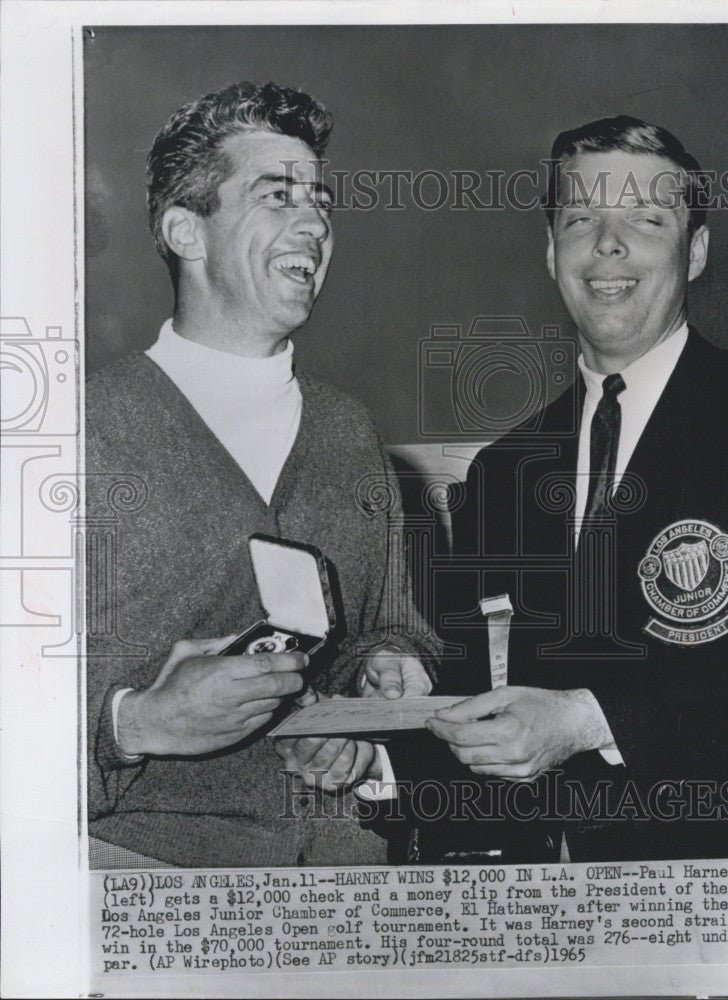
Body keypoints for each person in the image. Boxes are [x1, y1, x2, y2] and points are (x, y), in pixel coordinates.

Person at [379, 116, 728, 863]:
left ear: (696, 252)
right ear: (553, 250)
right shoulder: (503, 470)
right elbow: (478, 706)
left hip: (725, 904)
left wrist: (592, 720)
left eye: (646, 220)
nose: (609, 245)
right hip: (543, 922)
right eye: (582, 218)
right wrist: (374, 763)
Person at [86, 81, 437, 868]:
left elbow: (389, 629)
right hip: (144, 878)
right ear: (186, 230)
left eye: (319, 201)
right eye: (277, 198)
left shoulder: (349, 431)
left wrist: (379, 695)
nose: (314, 223)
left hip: (347, 871)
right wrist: (132, 724)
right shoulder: (73, 437)